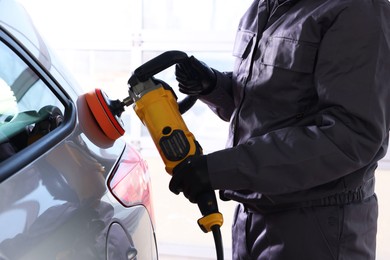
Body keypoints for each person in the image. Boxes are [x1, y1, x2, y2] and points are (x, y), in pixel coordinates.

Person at [168, 0, 390, 259]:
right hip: (251, 221)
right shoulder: (263, 7)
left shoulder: (356, 10)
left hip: (315, 230)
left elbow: (349, 136)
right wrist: (215, 87)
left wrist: (223, 169)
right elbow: (272, 105)